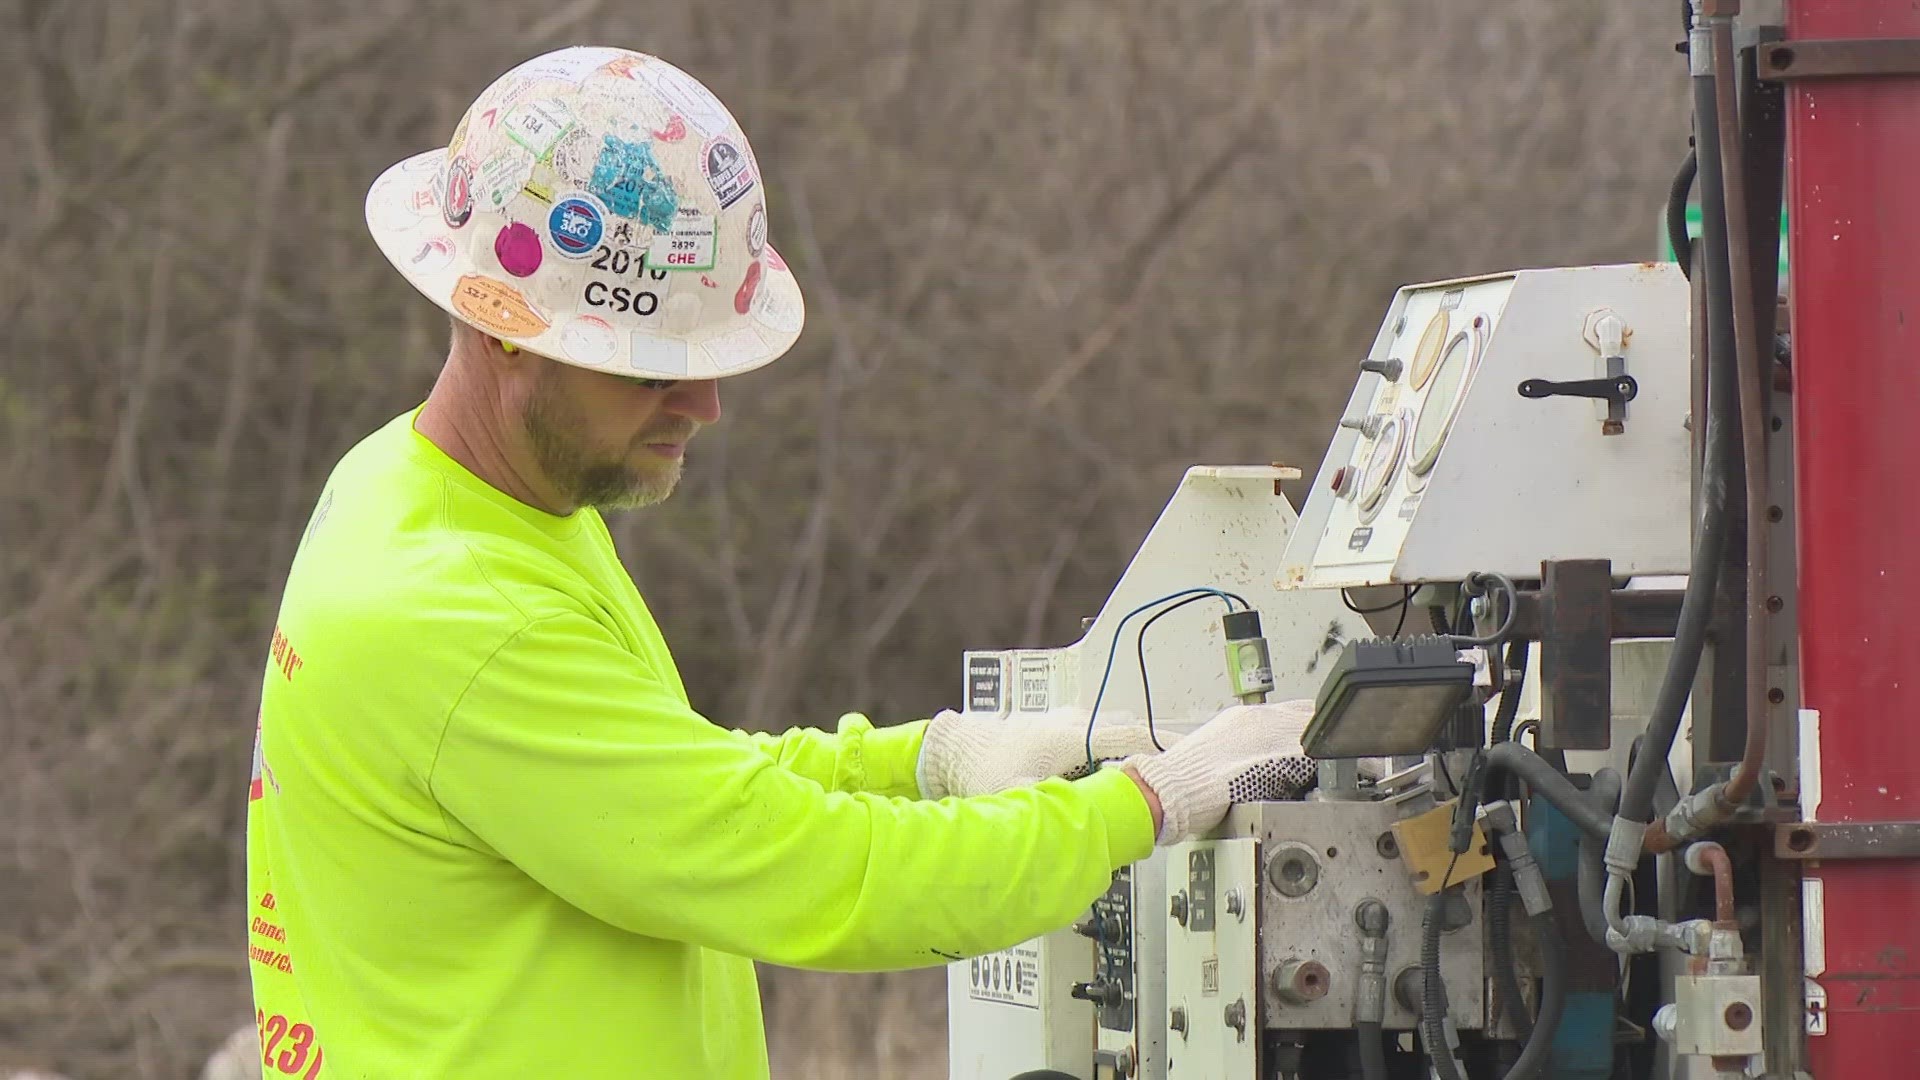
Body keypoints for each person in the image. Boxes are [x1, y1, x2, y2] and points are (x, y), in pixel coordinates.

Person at [244, 45, 1318, 1079]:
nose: (704, 407)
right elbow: (828, 877)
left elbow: (677, 789)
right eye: (654, 367)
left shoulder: (428, 492)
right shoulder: (462, 620)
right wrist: (1154, 800)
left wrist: (926, 760)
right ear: (508, 333)